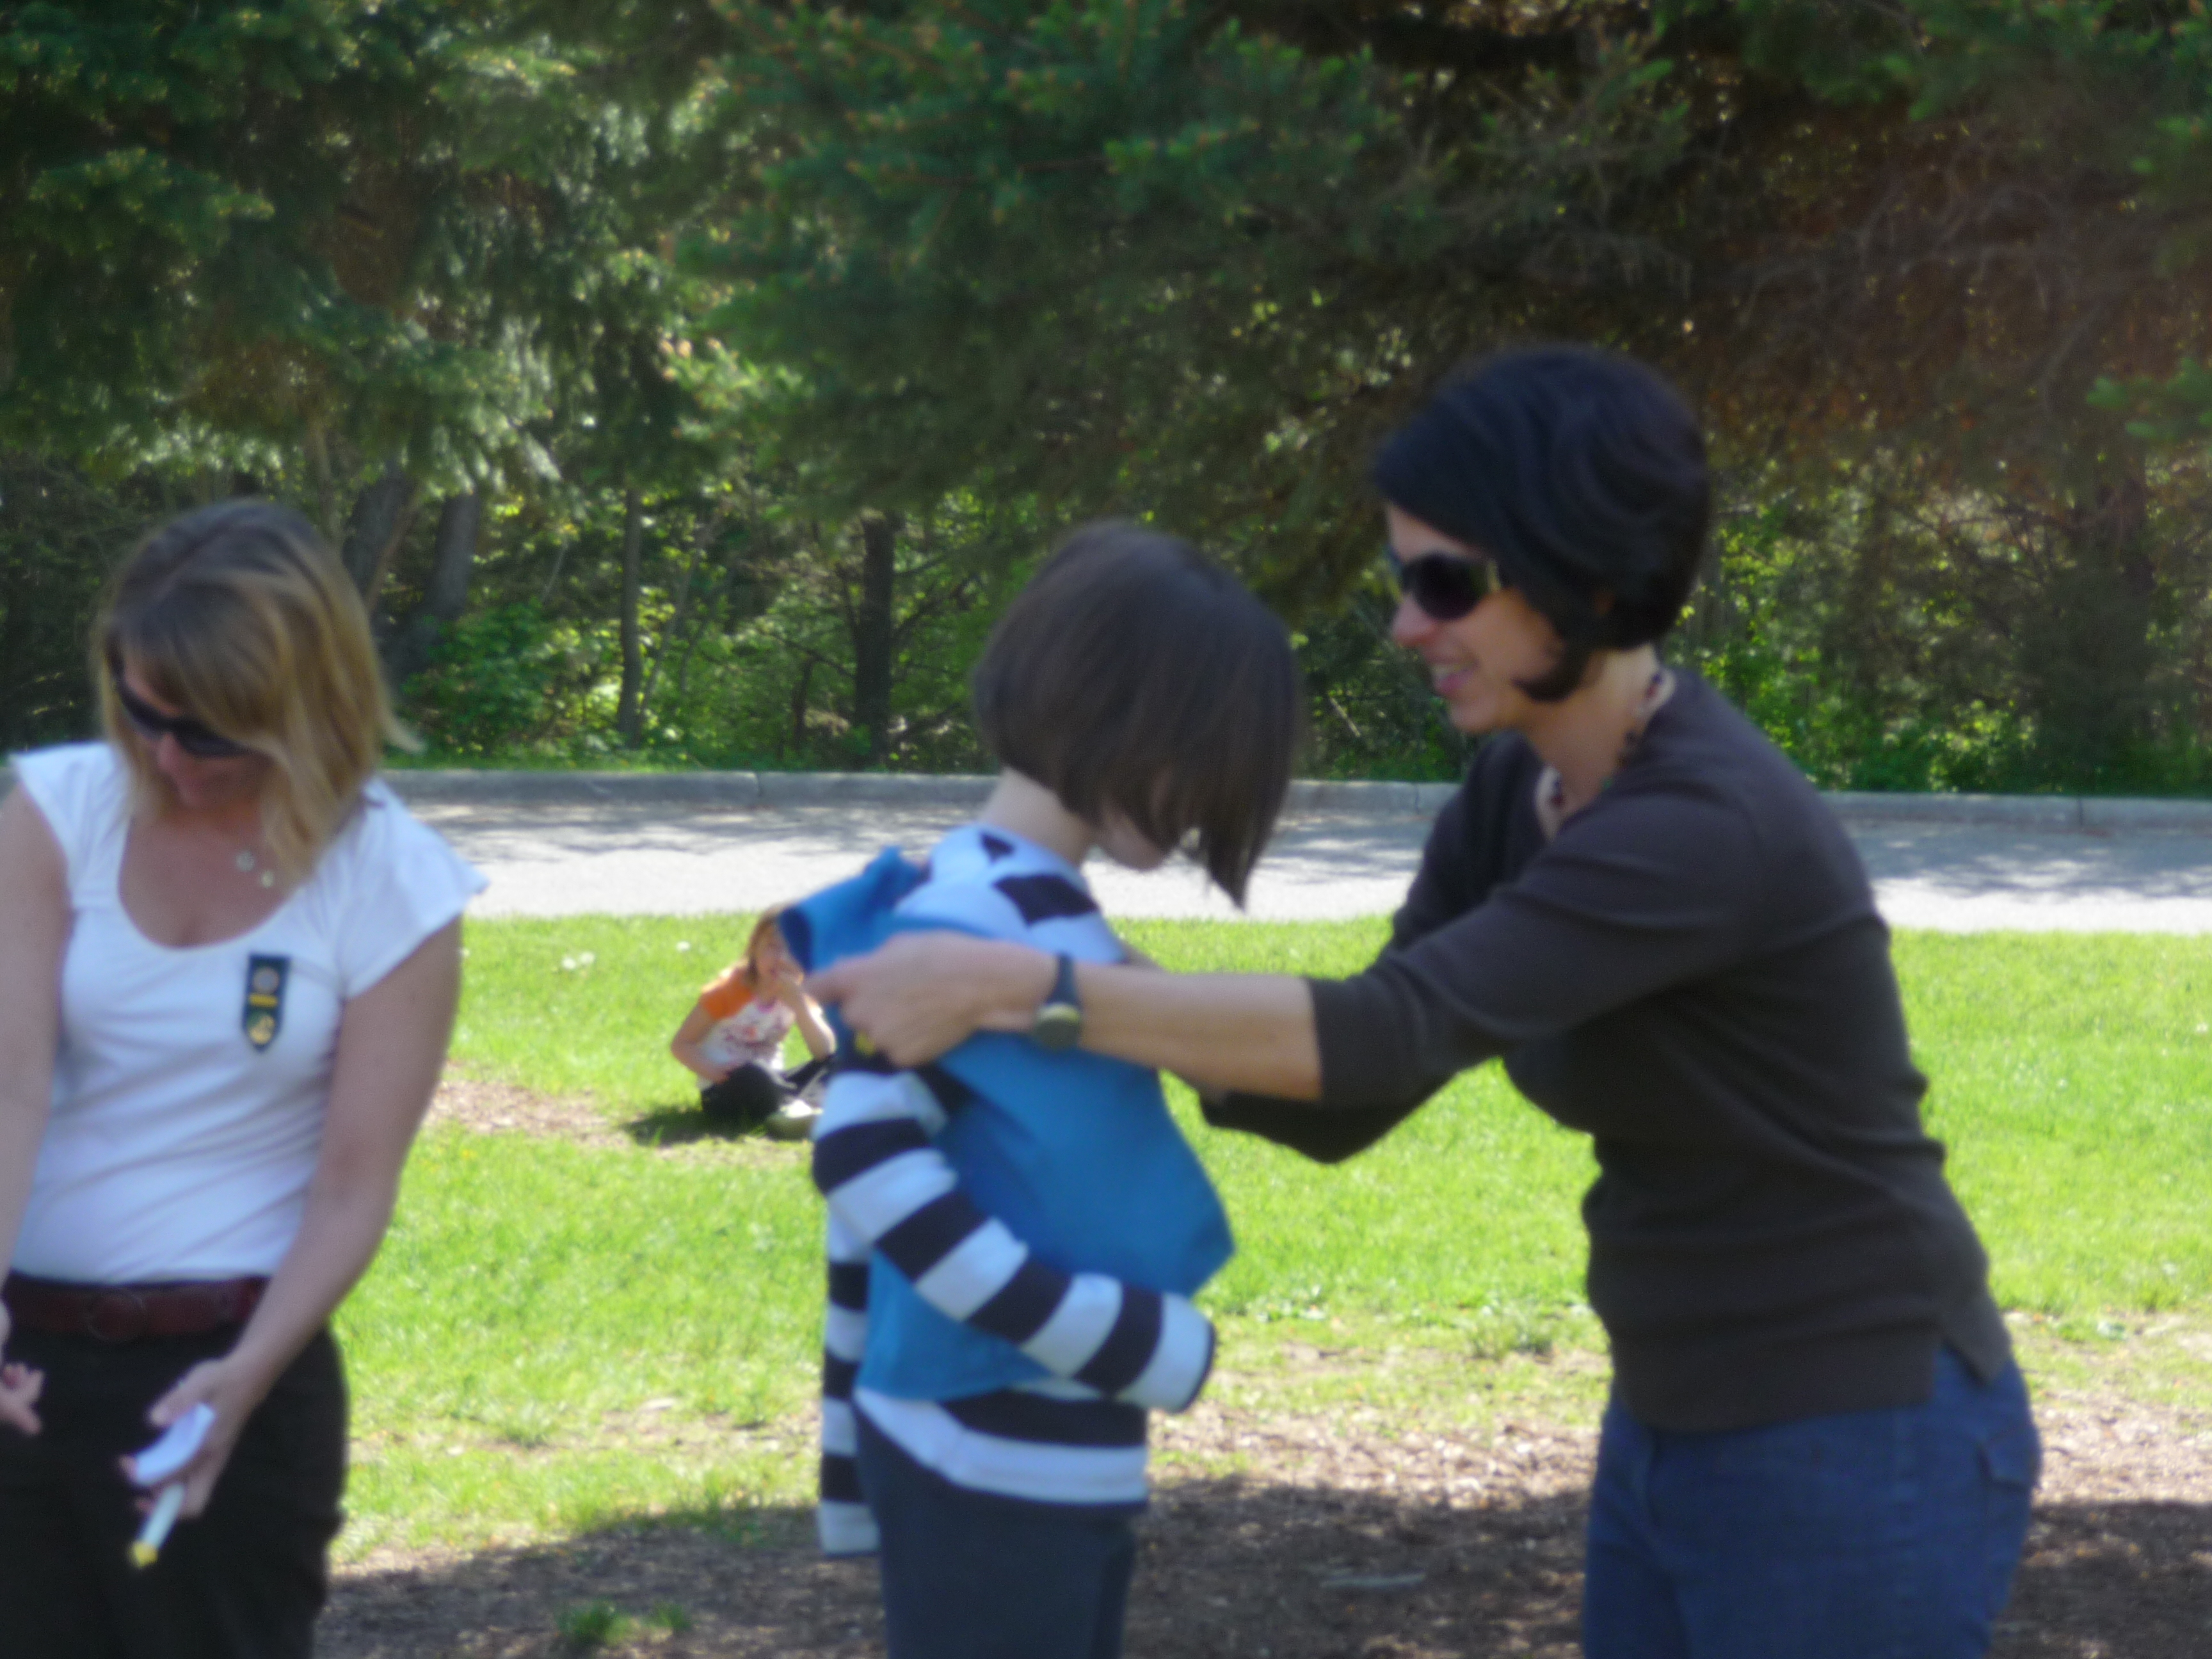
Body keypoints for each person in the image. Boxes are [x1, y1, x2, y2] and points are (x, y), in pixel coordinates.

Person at [808, 349, 2041, 1659]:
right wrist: (1034, 972)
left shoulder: (1699, 824)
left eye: (1448, 583)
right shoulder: (1517, 797)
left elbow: (1383, 1033)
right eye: (1405, 580)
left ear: (1589, 581)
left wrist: (1033, 988)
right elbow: (1350, 1094)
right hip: (1678, 1420)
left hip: (1854, 1429)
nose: (1407, 626)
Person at [783, 522, 1299, 1659]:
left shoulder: (1011, 902)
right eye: (1205, 764)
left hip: (1028, 1440)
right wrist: (1106, 1335)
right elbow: (859, 1152)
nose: (1206, 807)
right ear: (1132, 727)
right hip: (986, 1441)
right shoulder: (976, 917)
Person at [0, 499, 485, 1658]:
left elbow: (353, 1185)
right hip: (23, 1363)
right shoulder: (56, 812)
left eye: (210, 734)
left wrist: (246, 1379)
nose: (168, 758)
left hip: (231, 1372)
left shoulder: (392, 879)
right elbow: (10, 1087)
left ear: (303, 707)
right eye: (142, 711)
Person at [668, 908, 833, 1137]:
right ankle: (799, 1109)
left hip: (774, 1082)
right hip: (727, 1087)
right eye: (772, 947)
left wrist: (799, 1004)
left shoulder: (801, 990)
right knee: (755, 1074)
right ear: (754, 949)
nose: (782, 959)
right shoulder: (728, 990)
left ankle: (797, 1110)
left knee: (841, 1061)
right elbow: (681, 1044)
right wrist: (712, 1071)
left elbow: (824, 1052)